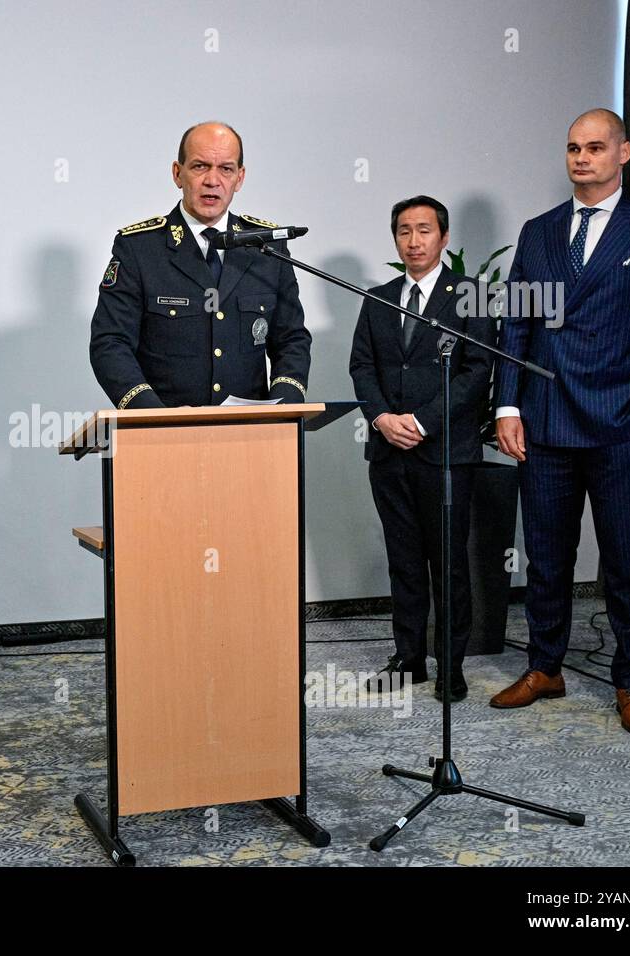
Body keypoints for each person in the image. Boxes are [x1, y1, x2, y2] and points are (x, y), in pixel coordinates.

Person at [491, 108, 630, 734]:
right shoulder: (538, 232)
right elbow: (517, 325)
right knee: (547, 558)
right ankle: (545, 666)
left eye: (594, 147)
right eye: (572, 148)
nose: (581, 158)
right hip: (547, 422)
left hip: (623, 426)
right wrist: (507, 406)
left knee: (626, 562)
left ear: (624, 153)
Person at [349, 196, 495, 701]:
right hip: (389, 454)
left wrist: (421, 422)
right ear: (395, 239)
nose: (414, 241)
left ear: (444, 238)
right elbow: (361, 368)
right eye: (404, 231)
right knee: (404, 561)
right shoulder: (378, 297)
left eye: (424, 230)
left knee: (448, 563)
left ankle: (450, 665)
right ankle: (409, 659)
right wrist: (383, 419)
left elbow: (479, 372)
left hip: (446, 453)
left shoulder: (470, 296)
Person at [90, 121, 310, 409]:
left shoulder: (267, 249)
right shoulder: (139, 248)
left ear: (240, 178)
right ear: (177, 173)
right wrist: (154, 418)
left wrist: (283, 407)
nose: (212, 180)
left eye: (226, 169)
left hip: (251, 436)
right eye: (200, 166)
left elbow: (291, 339)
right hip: (162, 437)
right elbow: (111, 343)